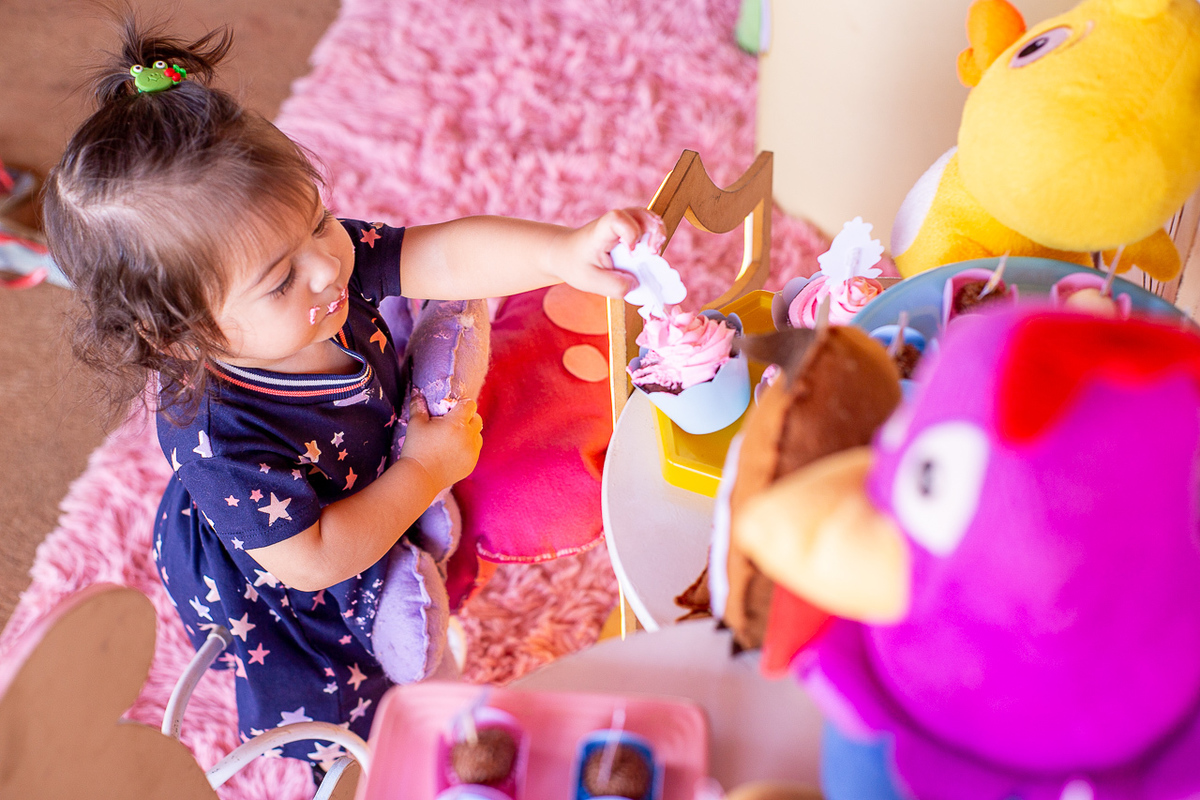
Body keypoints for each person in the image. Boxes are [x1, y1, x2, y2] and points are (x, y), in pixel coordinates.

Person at [42, 21, 663, 767]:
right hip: (295, 584)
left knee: (425, 575)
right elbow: (313, 559)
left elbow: (442, 254)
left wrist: (562, 251)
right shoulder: (215, 437)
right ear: (182, 337)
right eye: (279, 279)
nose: (327, 268)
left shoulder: (320, 272)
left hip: (371, 485)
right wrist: (425, 472)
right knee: (360, 723)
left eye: (320, 222)